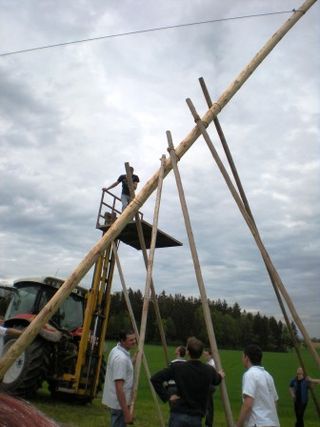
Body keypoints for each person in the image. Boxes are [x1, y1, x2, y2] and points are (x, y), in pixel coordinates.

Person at [151, 336, 224, 427]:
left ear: (187, 352)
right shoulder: (208, 370)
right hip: (196, 417)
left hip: (178, 414)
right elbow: (216, 380)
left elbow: (155, 379)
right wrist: (220, 375)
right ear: (201, 354)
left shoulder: (178, 367)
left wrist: (167, 396)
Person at [236, 344, 280, 427]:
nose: (242, 359)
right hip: (273, 423)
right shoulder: (268, 375)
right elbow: (275, 401)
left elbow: (248, 404)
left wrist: (238, 425)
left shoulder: (250, 374)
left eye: (243, 356)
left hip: (257, 423)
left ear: (247, 358)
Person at [102, 330, 136, 427]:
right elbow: (119, 387)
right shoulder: (121, 359)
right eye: (131, 340)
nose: (134, 342)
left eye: (134, 339)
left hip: (119, 403)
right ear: (122, 341)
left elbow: (123, 369)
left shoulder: (116, 350)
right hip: (120, 404)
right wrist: (126, 412)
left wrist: (133, 360)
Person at [203, 348, 216, 427]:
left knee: (208, 406)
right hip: (208, 386)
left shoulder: (211, 364)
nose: (205, 355)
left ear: (210, 354)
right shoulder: (209, 363)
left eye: (206, 354)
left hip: (209, 386)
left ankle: (208, 423)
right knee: (208, 405)